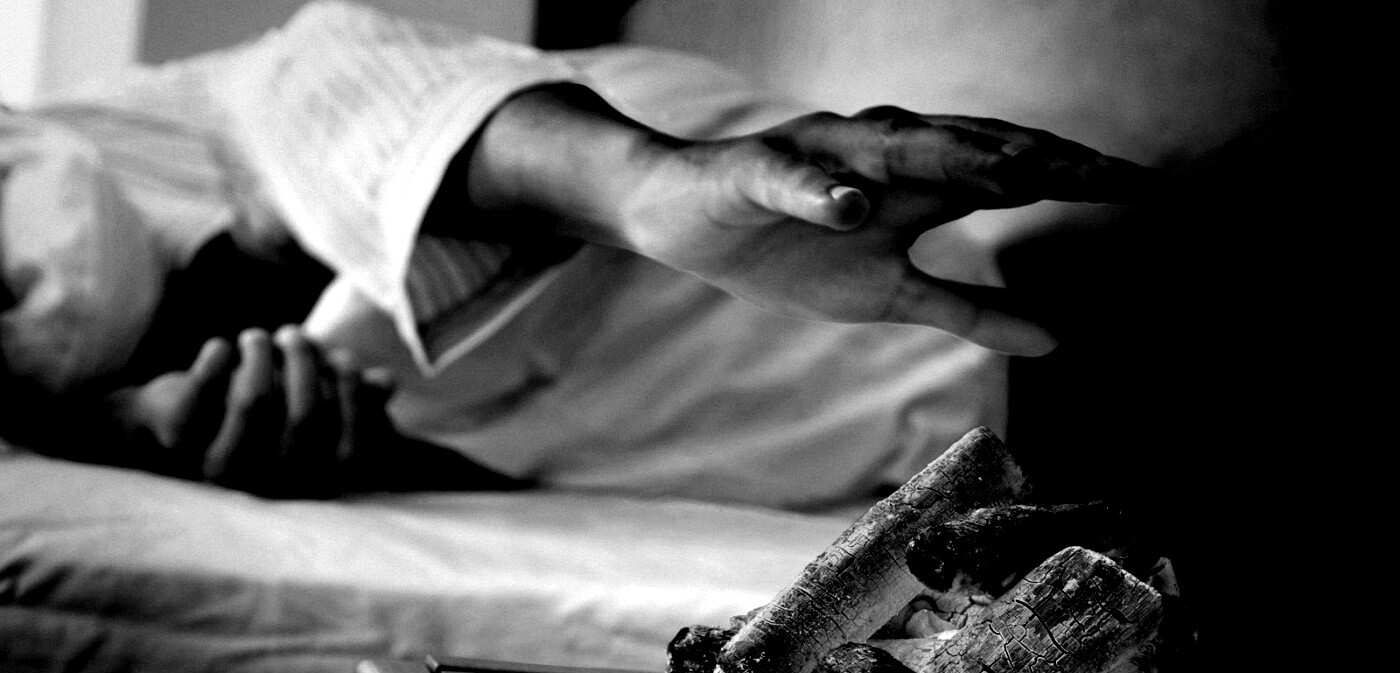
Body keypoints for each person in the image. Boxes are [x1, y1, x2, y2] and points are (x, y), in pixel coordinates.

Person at [0, 0, 1153, 503]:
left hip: (982, 302)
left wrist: (644, 181)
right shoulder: (94, 416)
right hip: (939, 429)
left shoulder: (176, 136)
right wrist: (131, 432)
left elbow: (323, 85)